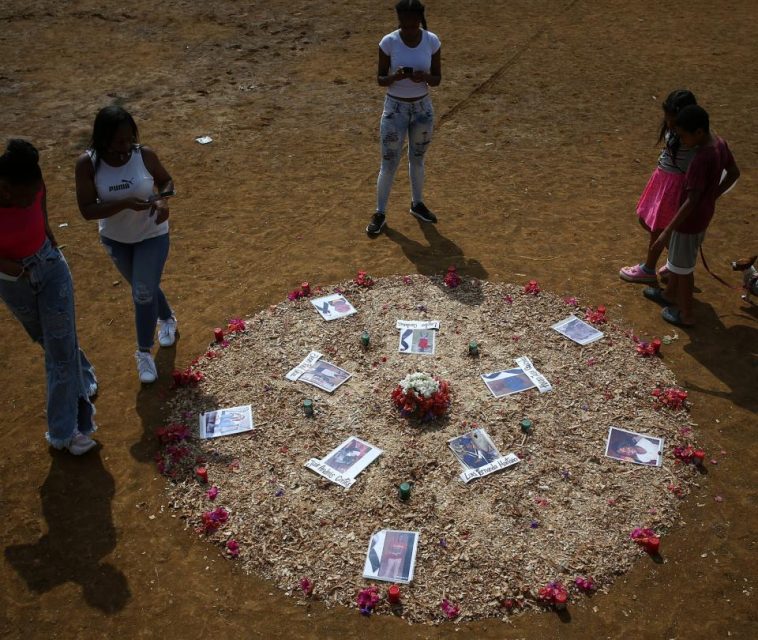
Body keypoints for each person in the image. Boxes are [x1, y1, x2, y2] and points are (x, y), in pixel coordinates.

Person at [0, 139, 98, 454]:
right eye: (23, 197)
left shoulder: (34, 183)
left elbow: (41, 197)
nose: (31, 199)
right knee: (51, 340)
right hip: (14, 280)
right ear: (5, 189)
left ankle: (64, 433)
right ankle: (82, 372)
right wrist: (13, 268)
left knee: (58, 350)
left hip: (50, 264)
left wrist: (45, 226)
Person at [75, 106, 177, 383]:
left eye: (130, 138)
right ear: (103, 138)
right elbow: (87, 210)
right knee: (145, 285)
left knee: (143, 292)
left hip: (152, 234)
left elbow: (166, 180)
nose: (126, 146)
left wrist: (161, 199)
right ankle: (167, 317)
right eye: (119, 141)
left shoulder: (144, 155)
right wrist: (123, 204)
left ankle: (143, 352)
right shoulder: (88, 164)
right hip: (116, 240)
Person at [642, 105, 740, 326]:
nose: (682, 141)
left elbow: (691, 201)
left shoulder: (699, 160)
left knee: (683, 269)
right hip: (702, 216)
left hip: (689, 223)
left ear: (699, 132)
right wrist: (712, 196)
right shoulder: (720, 144)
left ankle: (686, 314)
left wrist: (667, 231)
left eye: (684, 136)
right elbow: (734, 173)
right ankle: (668, 294)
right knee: (678, 263)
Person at [366, 0, 441, 236]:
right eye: (404, 24)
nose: (408, 28)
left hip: (422, 109)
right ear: (399, 20)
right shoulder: (388, 42)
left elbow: (437, 79)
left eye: (412, 24)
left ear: (419, 20)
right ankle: (380, 212)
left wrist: (424, 77)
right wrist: (394, 78)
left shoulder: (432, 41)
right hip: (395, 109)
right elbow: (380, 79)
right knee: (388, 162)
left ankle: (416, 203)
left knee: (417, 159)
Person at [619, 90, 698, 283]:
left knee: (658, 227)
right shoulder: (676, 130)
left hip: (674, 184)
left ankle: (649, 268)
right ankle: (676, 264)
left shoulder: (691, 134)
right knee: (648, 221)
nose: (667, 121)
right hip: (663, 179)